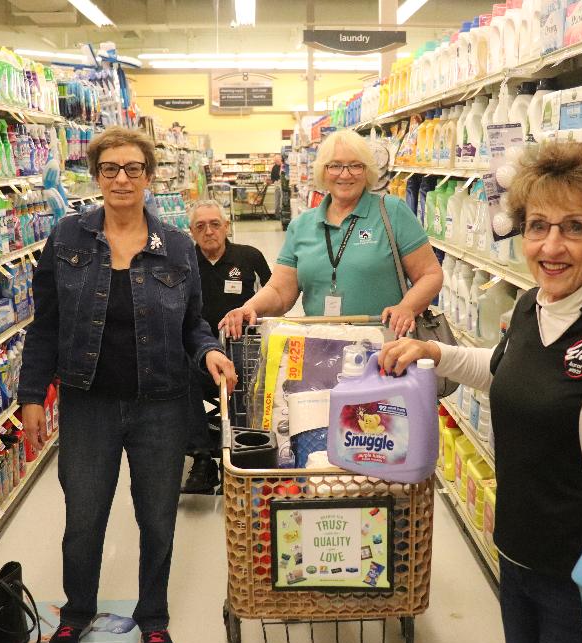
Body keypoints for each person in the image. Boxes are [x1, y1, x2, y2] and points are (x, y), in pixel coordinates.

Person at [377, 141, 582, 643]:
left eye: (574, 227)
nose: (552, 246)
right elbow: (502, 372)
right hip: (515, 552)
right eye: (538, 226)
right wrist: (434, 352)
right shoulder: (527, 307)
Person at [18, 126, 237, 643]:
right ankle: (75, 613)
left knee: (158, 517)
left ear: (148, 176)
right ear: (96, 176)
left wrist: (208, 349)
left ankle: (154, 617)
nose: (121, 178)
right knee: (84, 516)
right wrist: (30, 397)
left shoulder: (177, 245)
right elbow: (44, 327)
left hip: (160, 404)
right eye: (110, 169)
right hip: (87, 403)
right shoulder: (67, 238)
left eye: (132, 169)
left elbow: (194, 325)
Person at [220, 129, 443, 338]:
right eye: (335, 166)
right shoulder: (302, 226)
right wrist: (250, 307)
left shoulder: (392, 212)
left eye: (355, 166)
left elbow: (430, 274)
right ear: (323, 172)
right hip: (321, 348)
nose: (345, 175)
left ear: (367, 172)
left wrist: (406, 307)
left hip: (385, 350)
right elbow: (279, 291)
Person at [182, 200, 271, 493]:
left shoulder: (249, 258)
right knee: (179, 379)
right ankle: (203, 458)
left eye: (215, 224)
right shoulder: (182, 262)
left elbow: (273, 302)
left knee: (253, 378)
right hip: (197, 355)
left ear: (226, 226)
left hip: (245, 352)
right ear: (192, 232)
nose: (209, 231)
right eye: (200, 226)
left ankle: (244, 455)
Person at [267, 153, 283, 218]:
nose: (277, 161)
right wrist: (275, 181)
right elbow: (272, 178)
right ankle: (277, 215)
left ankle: (282, 214)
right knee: (277, 201)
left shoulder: (284, 166)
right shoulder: (274, 167)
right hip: (277, 186)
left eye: (278, 160)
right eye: (275, 160)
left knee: (282, 201)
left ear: (281, 159)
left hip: (284, 186)